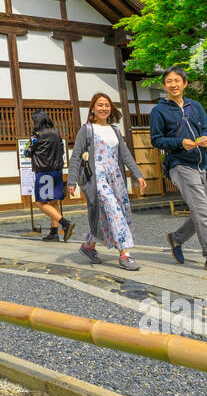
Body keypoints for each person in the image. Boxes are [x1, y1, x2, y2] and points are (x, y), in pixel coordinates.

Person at [150, 66, 207, 273]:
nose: (173, 84)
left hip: (202, 164)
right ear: (164, 85)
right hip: (180, 165)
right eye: (169, 81)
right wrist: (180, 143)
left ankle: (176, 238)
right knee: (203, 214)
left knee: (203, 213)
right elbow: (156, 139)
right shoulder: (159, 111)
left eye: (177, 80)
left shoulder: (195, 106)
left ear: (185, 83)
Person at [67, 92, 146, 269]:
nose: (104, 108)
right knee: (113, 210)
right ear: (93, 109)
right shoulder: (87, 130)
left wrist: (137, 174)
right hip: (97, 178)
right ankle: (125, 254)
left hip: (116, 178)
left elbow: (124, 154)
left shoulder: (115, 130)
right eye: (100, 105)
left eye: (107, 105)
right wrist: (71, 181)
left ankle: (89, 246)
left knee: (110, 214)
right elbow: (76, 157)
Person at [26, 109, 74, 241]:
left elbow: (27, 152)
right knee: (53, 202)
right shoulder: (56, 134)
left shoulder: (36, 136)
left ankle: (65, 223)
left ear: (37, 121)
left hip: (43, 172)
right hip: (57, 170)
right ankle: (54, 232)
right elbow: (62, 150)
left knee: (40, 202)